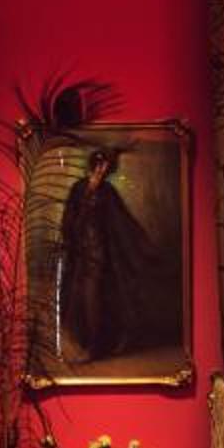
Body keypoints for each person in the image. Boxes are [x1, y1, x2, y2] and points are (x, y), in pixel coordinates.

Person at [56, 150, 178, 364]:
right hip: (81, 254)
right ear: (93, 165)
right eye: (100, 165)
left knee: (99, 298)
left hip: (103, 255)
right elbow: (69, 220)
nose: (102, 170)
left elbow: (123, 221)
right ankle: (86, 344)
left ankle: (96, 347)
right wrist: (74, 235)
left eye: (106, 167)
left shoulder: (108, 192)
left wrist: (144, 247)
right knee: (80, 299)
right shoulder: (78, 189)